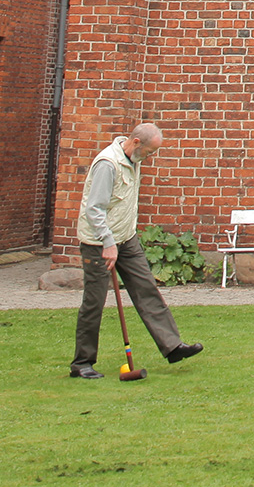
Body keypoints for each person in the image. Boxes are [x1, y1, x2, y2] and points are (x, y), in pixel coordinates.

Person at [70, 123, 204, 379]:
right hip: (98, 243)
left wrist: (120, 239)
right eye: (150, 152)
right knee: (94, 301)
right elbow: (94, 209)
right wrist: (108, 243)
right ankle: (82, 363)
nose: (150, 157)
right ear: (136, 142)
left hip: (126, 239)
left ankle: (173, 347)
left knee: (146, 288)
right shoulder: (107, 164)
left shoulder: (134, 159)